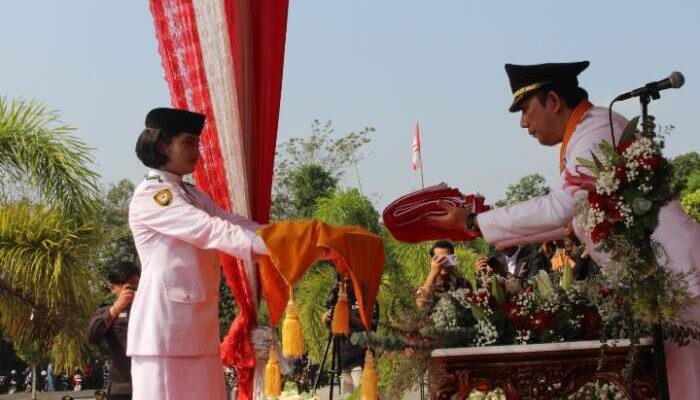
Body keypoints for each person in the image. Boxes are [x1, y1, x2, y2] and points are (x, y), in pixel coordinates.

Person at [424, 61, 700, 399]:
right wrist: (478, 226)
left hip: (678, 280)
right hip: (662, 287)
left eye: (526, 110)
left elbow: (560, 209)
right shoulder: (582, 135)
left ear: (553, 101)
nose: (524, 123)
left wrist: (474, 222)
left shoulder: (596, 131)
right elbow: (562, 222)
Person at [126, 108, 269, 400]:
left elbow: (234, 223)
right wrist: (277, 248)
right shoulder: (153, 195)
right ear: (163, 145)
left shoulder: (194, 195)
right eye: (188, 143)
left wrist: (287, 236)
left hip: (198, 331)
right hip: (163, 334)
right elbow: (209, 230)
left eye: (197, 143)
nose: (197, 152)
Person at [87, 261, 140, 400]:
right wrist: (117, 308)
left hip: (149, 382)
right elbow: (93, 335)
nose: (133, 292)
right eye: (128, 288)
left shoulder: (149, 308)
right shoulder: (107, 311)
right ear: (112, 288)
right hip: (122, 387)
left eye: (137, 287)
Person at [415, 240, 471, 310]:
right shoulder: (425, 285)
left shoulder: (463, 284)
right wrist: (433, 273)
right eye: (439, 260)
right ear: (432, 261)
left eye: (447, 259)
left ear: (453, 260)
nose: (444, 263)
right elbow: (420, 307)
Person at [475, 244, 550, 285]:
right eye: (497, 241)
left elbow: (532, 286)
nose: (502, 243)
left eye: (504, 237)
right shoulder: (495, 262)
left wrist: (503, 273)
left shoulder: (534, 257)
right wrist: (480, 276)